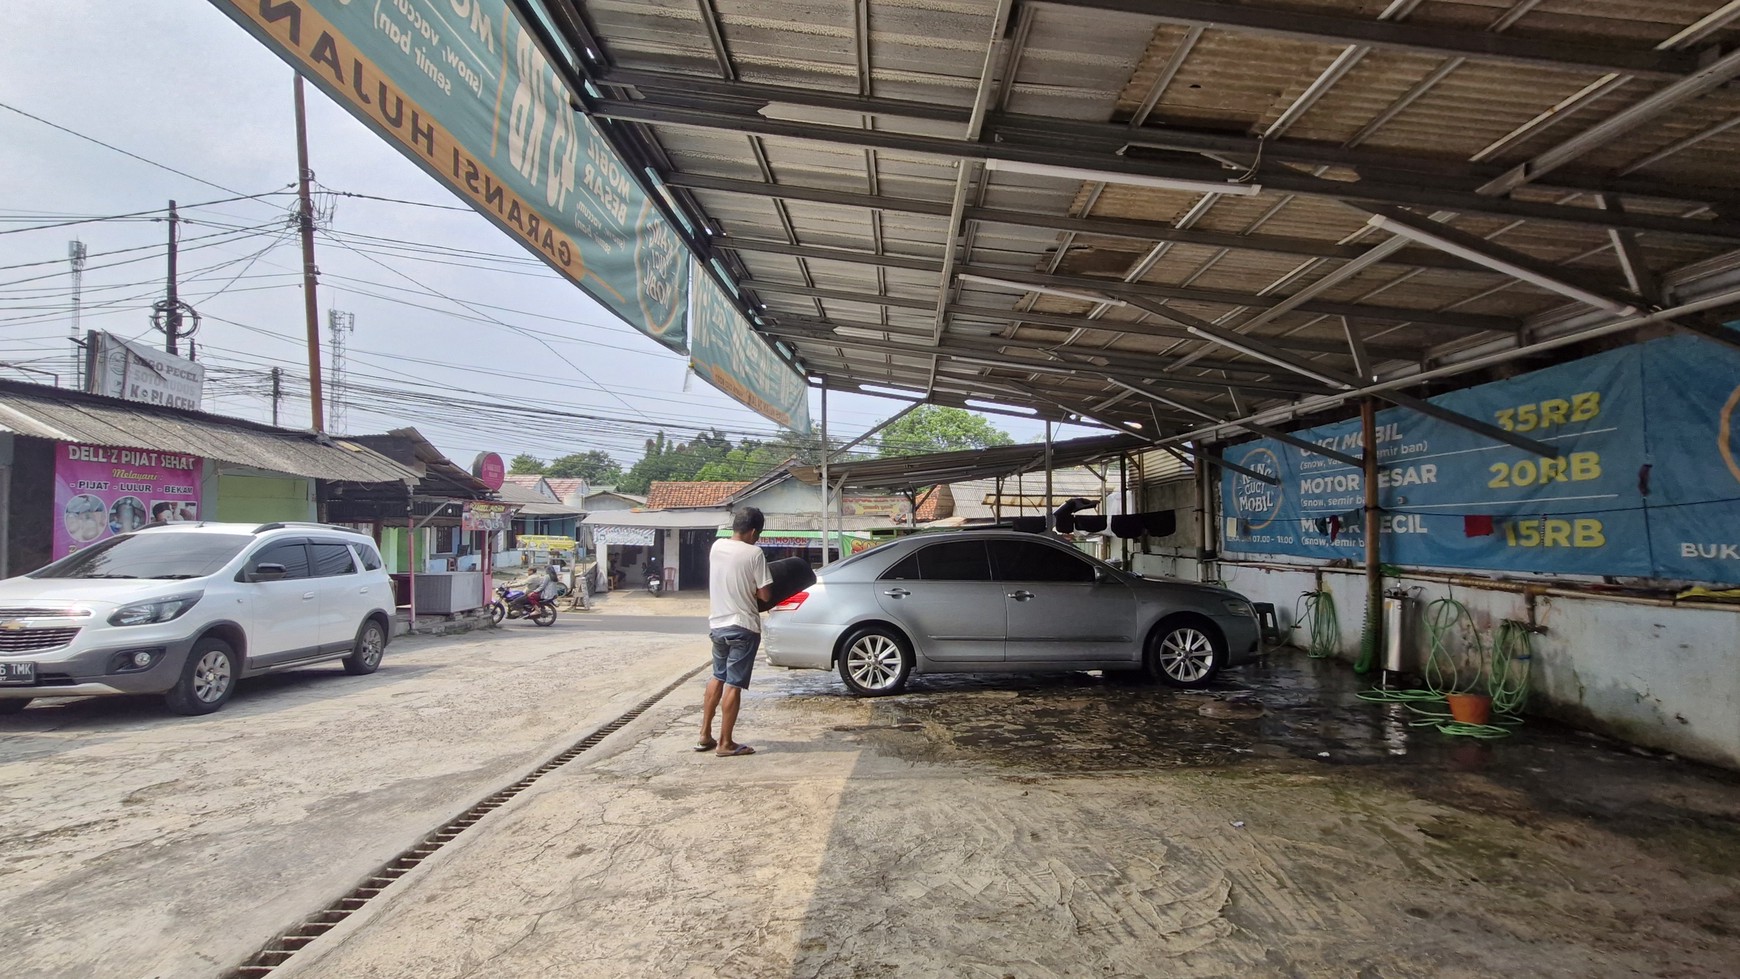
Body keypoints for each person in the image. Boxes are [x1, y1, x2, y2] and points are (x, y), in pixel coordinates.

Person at [697, 507, 772, 758]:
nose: (757, 539)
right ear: (753, 532)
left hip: (717, 625)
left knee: (717, 676)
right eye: (758, 535)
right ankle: (725, 743)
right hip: (743, 627)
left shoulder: (716, 547)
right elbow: (765, 595)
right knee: (734, 684)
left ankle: (704, 735)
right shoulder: (755, 553)